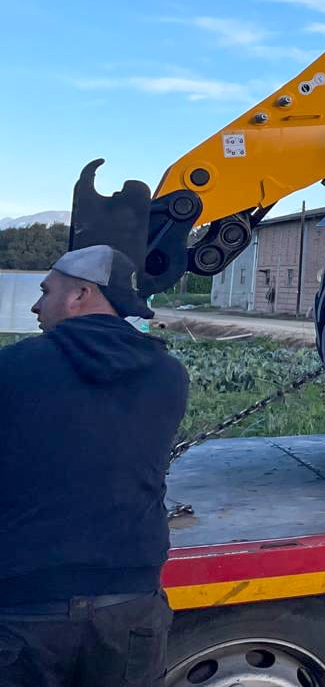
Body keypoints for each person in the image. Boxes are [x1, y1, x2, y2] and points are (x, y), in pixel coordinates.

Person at [0, 245, 190, 687]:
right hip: (130, 603)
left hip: (27, 606)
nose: (35, 304)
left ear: (80, 294)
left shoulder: (11, 368)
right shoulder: (169, 375)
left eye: (46, 291)